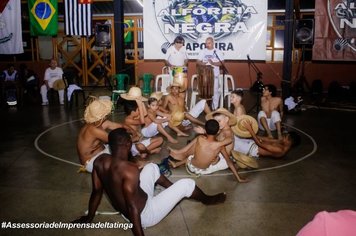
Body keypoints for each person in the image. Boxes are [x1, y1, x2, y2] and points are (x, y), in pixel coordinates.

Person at [72, 128, 226, 236]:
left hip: (130, 208)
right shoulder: (129, 169)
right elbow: (133, 208)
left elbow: (96, 192)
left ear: (109, 145)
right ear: (128, 144)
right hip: (144, 215)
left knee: (151, 167)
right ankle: (206, 200)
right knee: (187, 184)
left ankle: (173, 194)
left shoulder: (100, 161)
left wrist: (89, 217)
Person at [168, 119, 246, 182]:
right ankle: (177, 164)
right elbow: (229, 162)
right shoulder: (220, 146)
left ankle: (176, 164)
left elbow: (184, 149)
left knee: (193, 156)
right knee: (217, 160)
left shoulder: (200, 138)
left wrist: (175, 151)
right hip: (202, 171)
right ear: (218, 131)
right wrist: (238, 178)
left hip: (191, 166)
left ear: (205, 130)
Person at [77, 98, 138, 173]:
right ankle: (133, 166)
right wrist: (133, 139)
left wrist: (132, 131)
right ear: (102, 116)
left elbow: (121, 126)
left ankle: (134, 161)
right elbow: (116, 142)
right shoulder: (93, 130)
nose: (107, 115)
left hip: (102, 152)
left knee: (129, 147)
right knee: (122, 147)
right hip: (91, 162)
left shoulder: (99, 122)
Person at [121, 87, 163, 159]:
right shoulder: (128, 120)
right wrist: (140, 106)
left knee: (160, 140)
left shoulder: (134, 116)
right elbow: (142, 121)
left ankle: (144, 152)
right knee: (140, 146)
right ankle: (148, 152)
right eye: (138, 110)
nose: (140, 112)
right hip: (132, 146)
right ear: (133, 111)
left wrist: (141, 103)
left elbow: (145, 114)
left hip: (138, 142)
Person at [197, 37, 224, 110]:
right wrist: (202, 63)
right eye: (206, 43)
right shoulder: (203, 51)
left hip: (214, 74)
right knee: (205, 91)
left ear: (213, 43)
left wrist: (213, 63)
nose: (207, 45)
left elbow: (222, 63)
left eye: (209, 43)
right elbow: (198, 61)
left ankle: (215, 108)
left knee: (215, 91)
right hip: (205, 75)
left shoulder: (217, 51)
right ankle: (204, 107)